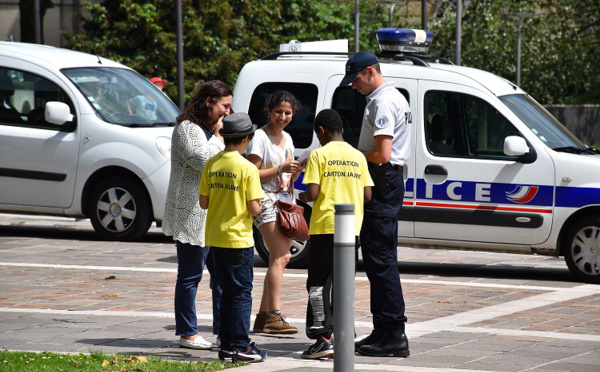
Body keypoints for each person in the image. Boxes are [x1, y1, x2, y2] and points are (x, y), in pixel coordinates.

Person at [340, 51, 412, 357]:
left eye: (356, 79)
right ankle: (383, 329)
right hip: (388, 182)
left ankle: (393, 333)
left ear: (370, 71)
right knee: (379, 260)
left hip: (382, 181)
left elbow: (382, 154)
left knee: (380, 261)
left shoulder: (383, 102)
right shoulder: (394, 97)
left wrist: (348, 153)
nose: (353, 86)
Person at [298, 109, 373, 359]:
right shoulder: (358, 156)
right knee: (342, 282)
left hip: (325, 226)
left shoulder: (319, 155)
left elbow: (313, 192)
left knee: (318, 283)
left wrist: (301, 197)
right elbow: (367, 195)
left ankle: (321, 337)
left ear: (321, 131)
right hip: (351, 228)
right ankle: (343, 333)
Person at [162, 80, 231, 350]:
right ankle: (187, 333)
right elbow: (202, 161)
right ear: (208, 102)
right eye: (224, 105)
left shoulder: (216, 131)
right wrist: (217, 137)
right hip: (191, 214)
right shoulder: (187, 129)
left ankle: (222, 331)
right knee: (190, 276)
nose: (227, 111)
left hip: (216, 214)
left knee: (222, 277)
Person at [199, 112, 267, 363]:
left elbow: (203, 203)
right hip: (238, 239)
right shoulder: (247, 168)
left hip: (215, 238)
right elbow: (254, 208)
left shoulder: (212, 163)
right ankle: (240, 344)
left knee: (225, 291)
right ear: (246, 139)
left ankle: (227, 344)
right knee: (241, 293)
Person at [246, 90, 303, 334]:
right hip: (265, 201)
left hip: (285, 203)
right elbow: (251, 173)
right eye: (278, 111)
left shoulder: (287, 138)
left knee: (276, 259)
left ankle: (262, 317)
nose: (282, 116)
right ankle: (273, 316)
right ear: (268, 111)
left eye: (287, 112)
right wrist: (280, 168)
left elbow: (288, 175)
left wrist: (296, 170)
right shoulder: (259, 136)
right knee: (282, 256)